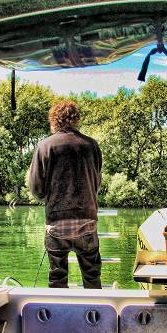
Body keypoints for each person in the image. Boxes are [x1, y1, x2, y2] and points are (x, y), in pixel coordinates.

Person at [28, 100, 103, 289]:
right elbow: (97, 183)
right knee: (92, 277)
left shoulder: (45, 146)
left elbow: (36, 188)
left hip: (57, 223)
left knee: (57, 278)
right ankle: (97, 314)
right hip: (87, 221)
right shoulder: (92, 145)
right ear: (76, 119)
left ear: (54, 121)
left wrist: (51, 197)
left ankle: (59, 316)